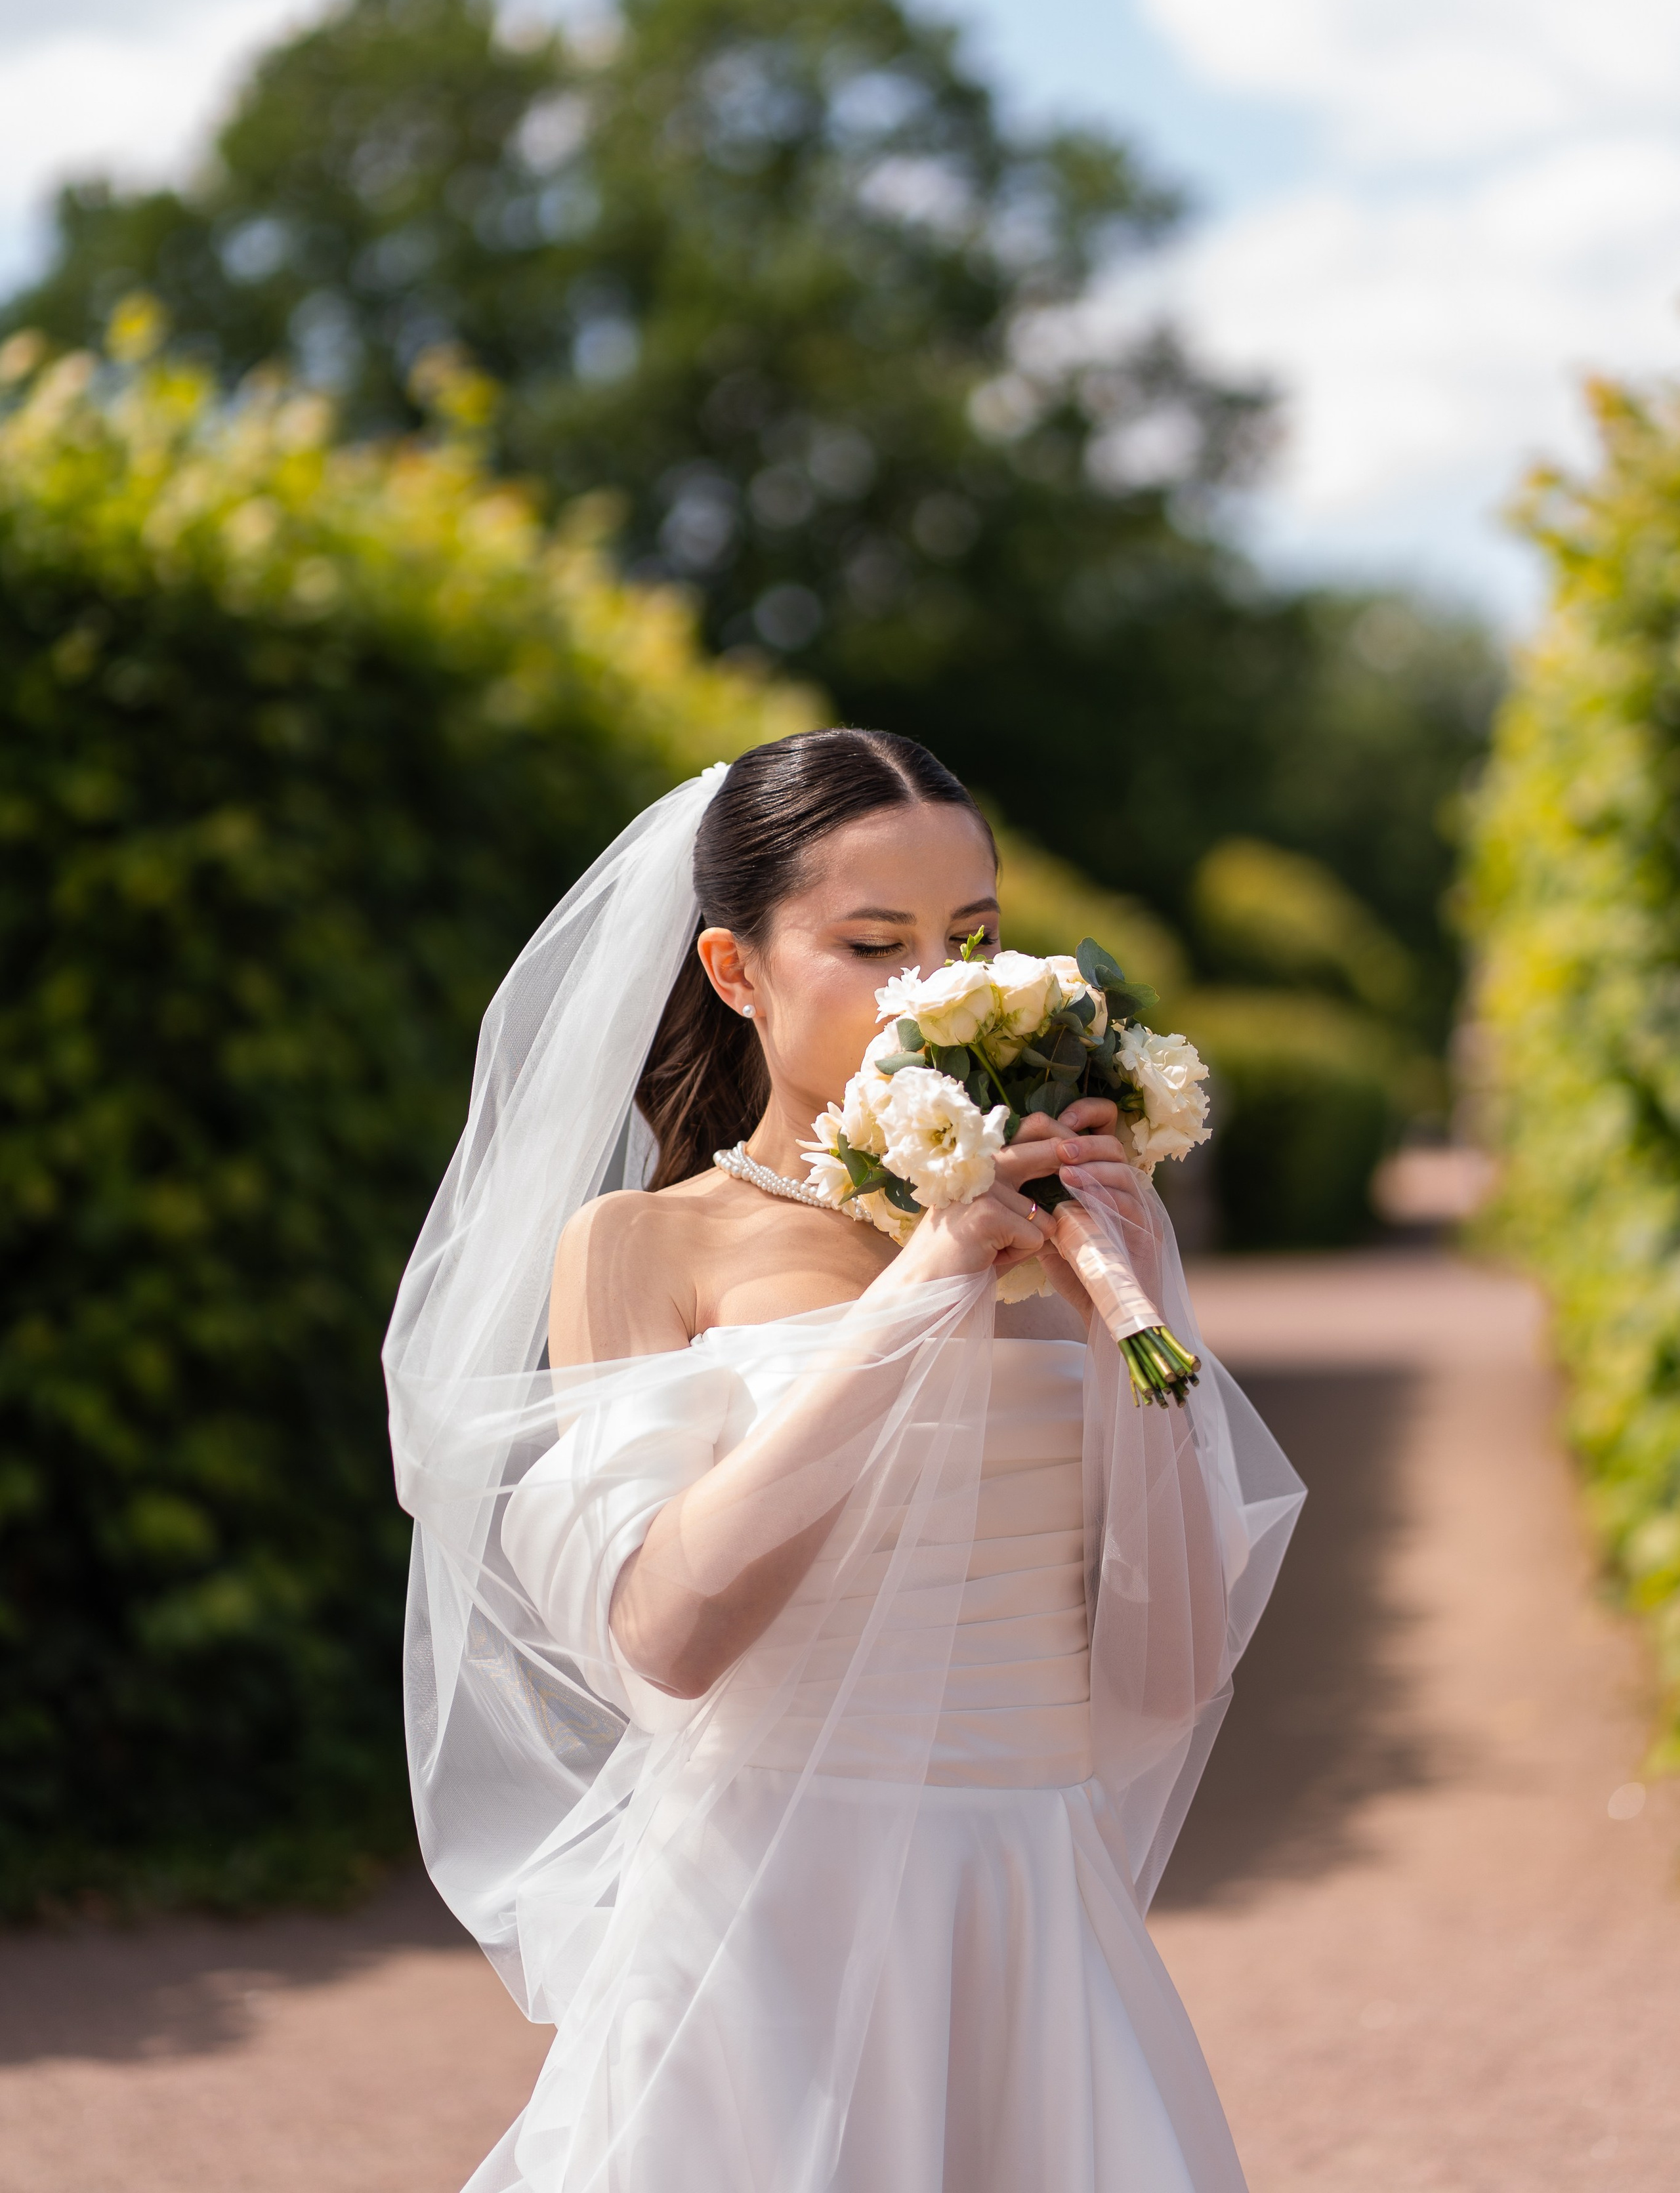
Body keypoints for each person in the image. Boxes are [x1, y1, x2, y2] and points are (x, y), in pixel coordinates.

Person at [383, 728, 1303, 2193]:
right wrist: (921, 1289)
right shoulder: (641, 1245)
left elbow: (1175, 1669)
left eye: (971, 941)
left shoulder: (1070, 1233)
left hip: (1027, 1914)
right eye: (874, 945)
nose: (933, 989)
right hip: (762, 1930)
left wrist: (1132, 1308)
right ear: (734, 970)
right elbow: (665, 1636)